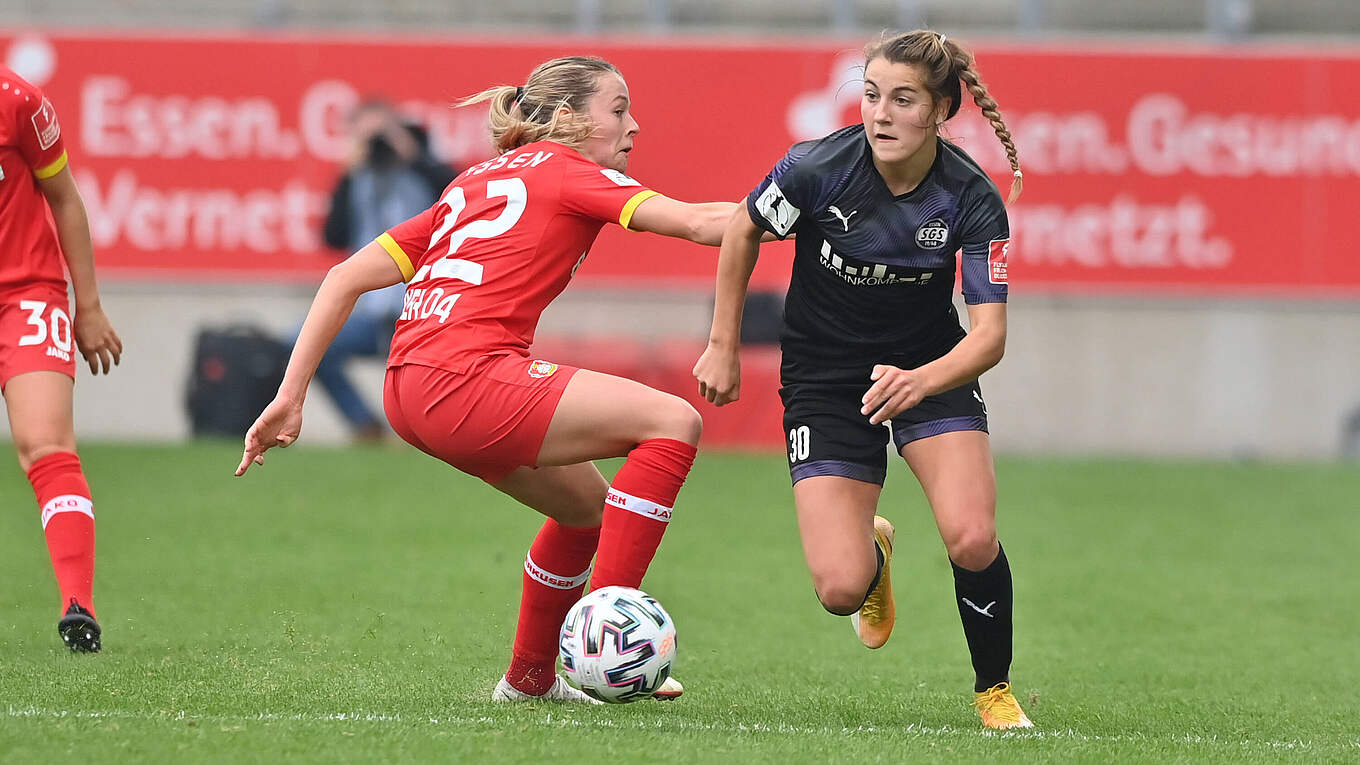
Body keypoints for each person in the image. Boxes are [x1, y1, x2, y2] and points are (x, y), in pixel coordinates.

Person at [236, 56, 739, 702]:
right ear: (568, 118)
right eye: (618, 110)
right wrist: (803, 208)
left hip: (408, 385)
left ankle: (528, 681)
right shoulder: (569, 171)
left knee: (586, 512)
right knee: (673, 422)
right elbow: (700, 224)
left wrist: (290, 395)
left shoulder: (473, 180)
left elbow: (343, 277)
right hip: (465, 378)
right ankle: (608, 646)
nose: (633, 126)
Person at [692, 30, 1033, 729]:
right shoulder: (817, 167)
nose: (880, 113)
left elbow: (989, 337)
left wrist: (921, 379)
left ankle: (994, 692)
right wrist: (723, 344)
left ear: (941, 109)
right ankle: (872, 554)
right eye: (872, 95)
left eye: (903, 100)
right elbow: (743, 229)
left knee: (972, 536)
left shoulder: (970, 197)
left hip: (929, 367)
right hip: (824, 374)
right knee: (840, 590)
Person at [1, 65, 123, 652]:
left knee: (46, 445)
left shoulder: (16, 100)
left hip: (26, 292)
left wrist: (88, 305)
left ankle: (79, 605)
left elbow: (65, 199)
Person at [308, 101, 457, 440]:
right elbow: (332, 236)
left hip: (423, 305)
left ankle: (427, 436)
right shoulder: (356, 178)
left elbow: (462, 196)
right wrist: (348, 173)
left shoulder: (424, 169)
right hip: (371, 306)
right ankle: (366, 425)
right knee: (303, 343)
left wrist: (413, 155)